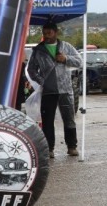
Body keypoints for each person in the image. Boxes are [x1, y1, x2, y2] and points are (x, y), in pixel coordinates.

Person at [26, 22, 82, 158]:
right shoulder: (38, 50)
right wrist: (42, 81)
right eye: (44, 33)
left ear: (56, 32)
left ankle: (72, 146)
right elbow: (31, 70)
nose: (46, 36)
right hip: (48, 91)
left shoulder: (66, 47)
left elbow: (79, 61)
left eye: (49, 33)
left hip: (65, 89)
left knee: (69, 118)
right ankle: (49, 148)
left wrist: (66, 58)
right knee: (47, 121)